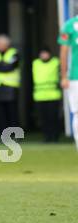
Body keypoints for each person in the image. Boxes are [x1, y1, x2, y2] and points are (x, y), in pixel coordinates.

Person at [0, 34, 20, 133]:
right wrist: (3, 65)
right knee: (0, 114)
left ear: (5, 44)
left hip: (11, 87)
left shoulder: (14, 53)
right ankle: (3, 134)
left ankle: (15, 134)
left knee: (12, 113)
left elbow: (9, 67)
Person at [32, 47, 61, 142]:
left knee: (53, 117)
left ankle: (55, 136)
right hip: (40, 95)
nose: (43, 55)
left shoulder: (56, 62)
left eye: (45, 53)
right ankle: (46, 136)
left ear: (49, 54)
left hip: (53, 94)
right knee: (43, 118)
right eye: (42, 53)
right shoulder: (35, 63)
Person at [58, 17, 78, 149]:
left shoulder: (70, 25)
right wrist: (64, 76)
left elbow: (64, 52)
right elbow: (64, 52)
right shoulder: (69, 25)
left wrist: (64, 76)